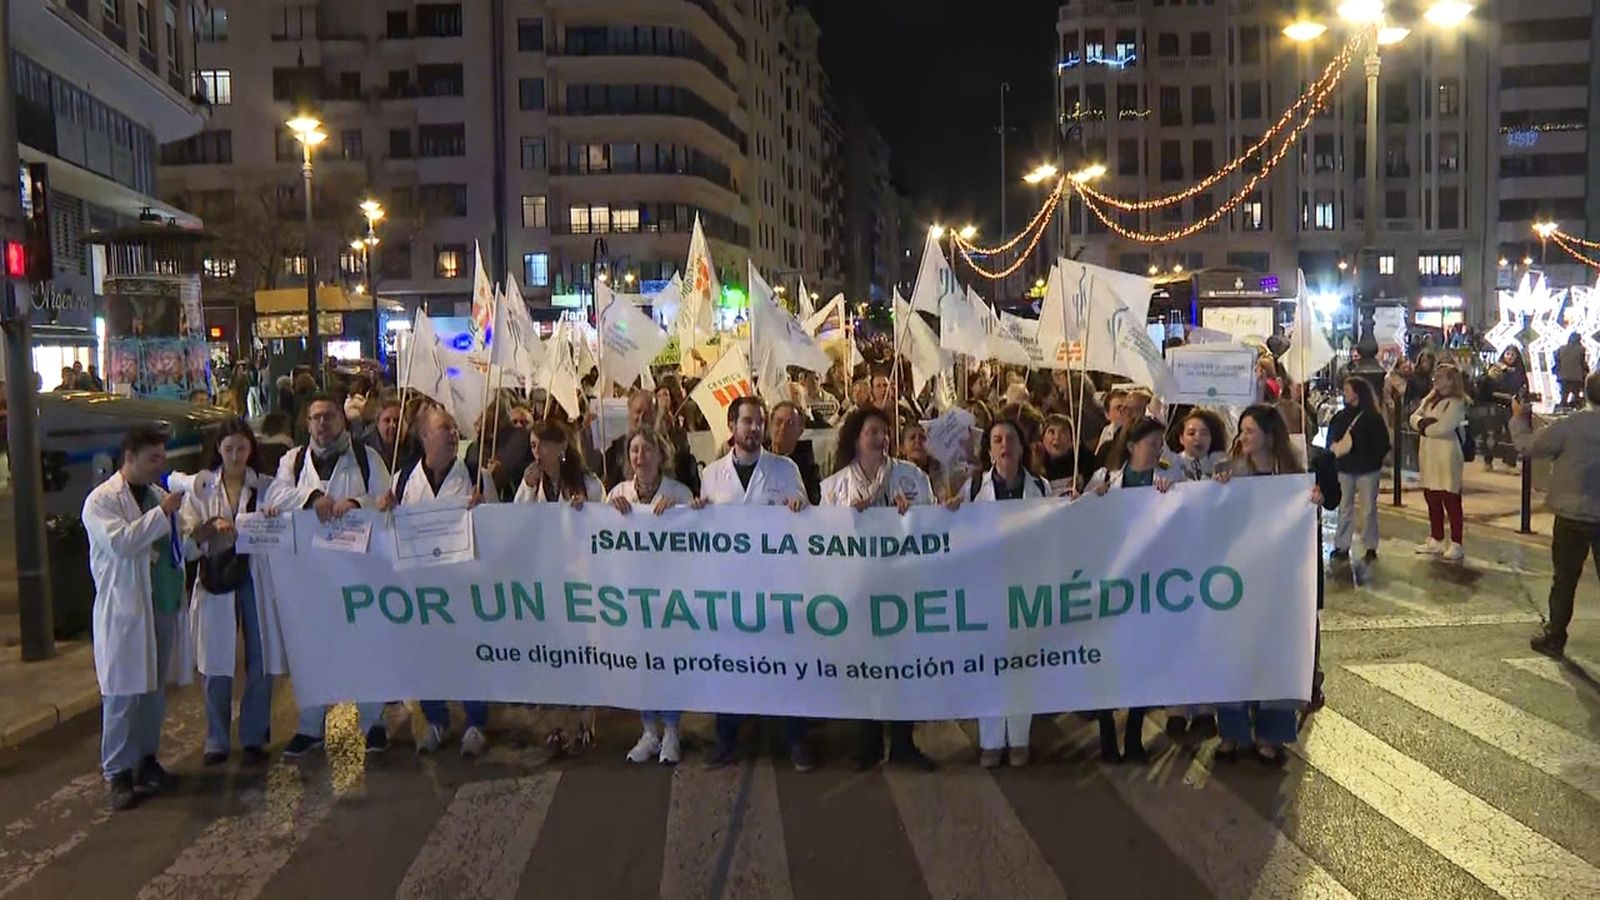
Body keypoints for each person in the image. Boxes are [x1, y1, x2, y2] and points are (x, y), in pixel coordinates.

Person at [265, 393, 392, 759]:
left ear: (343, 421)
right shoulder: (293, 461)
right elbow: (276, 495)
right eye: (316, 417)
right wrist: (312, 497)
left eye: (330, 417)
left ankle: (373, 723)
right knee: (312, 651)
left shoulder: (367, 460)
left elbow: (386, 501)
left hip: (359, 573)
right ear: (307, 424)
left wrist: (358, 504)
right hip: (311, 576)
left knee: (366, 648)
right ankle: (310, 726)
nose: (322, 424)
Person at [820, 408, 939, 771]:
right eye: (873, 432)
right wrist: (847, 518)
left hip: (900, 585)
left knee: (901, 665)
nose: (882, 439)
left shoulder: (911, 477)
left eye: (885, 433)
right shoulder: (835, 487)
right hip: (858, 589)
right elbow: (823, 538)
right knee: (864, 666)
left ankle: (903, 742)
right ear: (857, 438)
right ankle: (868, 742)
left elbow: (932, 527)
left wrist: (912, 515)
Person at [698, 396, 813, 770]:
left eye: (759, 422)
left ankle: (795, 741)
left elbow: (807, 519)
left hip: (775, 584)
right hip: (730, 585)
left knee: (784, 664)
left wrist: (799, 509)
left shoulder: (784, 468)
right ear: (731, 426)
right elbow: (704, 529)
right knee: (728, 663)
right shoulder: (712, 474)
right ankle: (727, 739)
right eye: (747, 421)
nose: (755, 429)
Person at [83, 424, 188, 810]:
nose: (160, 465)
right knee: (122, 694)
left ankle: (146, 761)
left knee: (152, 693)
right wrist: (162, 515)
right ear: (129, 458)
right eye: (153, 458)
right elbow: (122, 543)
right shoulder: (101, 502)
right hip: (124, 611)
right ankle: (117, 772)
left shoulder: (158, 495)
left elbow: (180, 542)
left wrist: (204, 533)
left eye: (163, 457)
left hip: (160, 605)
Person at [374, 406, 487, 755]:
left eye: (454, 429)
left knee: (470, 652)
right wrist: (384, 508)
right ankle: (436, 718)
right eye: (444, 429)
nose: (453, 434)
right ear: (425, 437)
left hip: (464, 583)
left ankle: (475, 722)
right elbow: (386, 533)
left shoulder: (474, 475)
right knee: (427, 653)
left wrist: (482, 510)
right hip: (420, 588)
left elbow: (499, 529)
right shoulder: (402, 480)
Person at [1213, 405, 1320, 765]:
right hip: (1237, 578)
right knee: (1233, 654)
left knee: (1274, 654)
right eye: (1241, 430)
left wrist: (1313, 502)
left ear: (1269, 435)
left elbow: (1302, 526)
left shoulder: (1292, 476)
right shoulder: (1230, 472)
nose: (1243, 437)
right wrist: (1216, 491)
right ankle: (1232, 730)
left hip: (1277, 582)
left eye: (1250, 431)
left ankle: (1271, 733)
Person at [180, 419, 286, 768]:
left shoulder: (267, 488)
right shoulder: (201, 490)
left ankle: (254, 736)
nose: (236, 455)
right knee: (216, 662)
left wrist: (273, 517)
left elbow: (286, 526)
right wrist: (208, 530)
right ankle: (217, 739)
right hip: (217, 578)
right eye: (229, 449)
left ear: (251, 449)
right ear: (218, 450)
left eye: (242, 448)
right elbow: (186, 544)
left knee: (261, 658)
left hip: (257, 576)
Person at [949, 419, 1048, 768]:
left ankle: (1018, 739)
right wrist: (948, 512)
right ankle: (991, 740)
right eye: (997, 440)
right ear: (989, 449)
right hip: (987, 589)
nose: (1004, 445)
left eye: (1011, 439)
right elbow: (956, 529)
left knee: (1022, 665)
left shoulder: (1042, 487)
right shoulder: (974, 486)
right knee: (989, 664)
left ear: (1022, 447)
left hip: (1026, 590)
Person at [1083, 416, 1183, 762]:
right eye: (1152, 444)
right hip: (1111, 585)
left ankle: (1136, 735)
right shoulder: (1105, 480)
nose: (1159, 451)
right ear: (1131, 447)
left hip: (1150, 586)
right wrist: (1087, 501)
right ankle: (1108, 733)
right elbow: (1078, 523)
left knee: (1143, 661)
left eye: (1161, 444)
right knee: (1108, 662)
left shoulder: (1170, 479)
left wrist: (1174, 499)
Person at [609, 426, 701, 765]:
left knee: (670, 661)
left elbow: (697, 526)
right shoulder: (617, 492)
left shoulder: (677, 491)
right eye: (634, 450)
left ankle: (672, 730)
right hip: (632, 594)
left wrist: (680, 508)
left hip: (670, 593)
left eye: (647, 450)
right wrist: (608, 511)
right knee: (642, 662)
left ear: (660, 455)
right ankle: (649, 730)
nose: (640, 456)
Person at [1514, 372, 1600, 658]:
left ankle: (1555, 636)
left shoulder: (1569, 426)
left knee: (1564, 579)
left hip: (1571, 514)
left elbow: (1528, 447)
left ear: (1585, 393)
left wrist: (1518, 419)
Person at [1327, 377, 1391, 561]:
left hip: (1366, 468)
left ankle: (1369, 545)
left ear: (1357, 393)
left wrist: (1373, 458)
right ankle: (1342, 545)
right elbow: (1332, 437)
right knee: (1345, 507)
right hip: (1348, 468)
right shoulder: (1341, 416)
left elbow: (1382, 443)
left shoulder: (1372, 417)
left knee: (1367, 508)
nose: (1344, 393)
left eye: (1347, 389)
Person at [1410, 363, 1468, 561]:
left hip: (1446, 454)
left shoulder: (1456, 402)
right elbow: (1413, 417)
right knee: (1431, 496)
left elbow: (1445, 426)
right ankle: (1436, 538)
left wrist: (1424, 427)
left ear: (1451, 380)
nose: (1436, 379)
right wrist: (1422, 423)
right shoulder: (1430, 398)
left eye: (1441, 376)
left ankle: (1456, 542)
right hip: (1429, 453)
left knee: (1450, 498)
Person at [514, 420, 604, 506]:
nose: (537, 451)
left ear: (563, 446)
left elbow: (601, 515)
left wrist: (585, 508)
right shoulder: (531, 481)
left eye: (544, 444)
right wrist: (529, 488)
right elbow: (519, 516)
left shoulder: (588, 483)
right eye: (533, 446)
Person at [1480, 347, 1528, 469]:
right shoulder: (1496, 368)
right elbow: (1485, 385)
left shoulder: (1519, 372)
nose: (1510, 357)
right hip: (1495, 404)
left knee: (1511, 435)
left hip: (1511, 406)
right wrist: (1490, 376)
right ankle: (1488, 460)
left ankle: (1510, 462)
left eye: (1513, 355)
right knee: (1492, 434)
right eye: (1507, 354)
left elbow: (1522, 387)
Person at [602, 390, 658, 490]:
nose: (642, 418)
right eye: (638, 412)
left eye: (647, 413)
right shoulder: (614, 452)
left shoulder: (667, 449)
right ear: (629, 414)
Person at [769, 400, 822, 505]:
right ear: (770, 425)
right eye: (778, 422)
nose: (783, 428)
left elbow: (813, 501)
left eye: (790, 424)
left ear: (800, 431)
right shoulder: (756, 458)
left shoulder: (808, 470)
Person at [1039, 414, 1097, 496]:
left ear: (1072, 439)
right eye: (1051, 432)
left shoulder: (1085, 461)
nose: (1057, 437)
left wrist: (1084, 483)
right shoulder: (1035, 467)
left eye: (1063, 432)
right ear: (1043, 438)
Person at [900, 421, 947, 501]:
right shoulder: (895, 474)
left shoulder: (943, 473)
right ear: (902, 448)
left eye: (922, 437)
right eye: (912, 437)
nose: (917, 441)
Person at [1556, 333, 1589, 409]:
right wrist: (1587, 371)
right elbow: (1582, 363)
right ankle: (1578, 412)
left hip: (1563, 377)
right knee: (1577, 396)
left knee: (1564, 397)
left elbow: (1557, 361)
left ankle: (1561, 411)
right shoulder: (1581, 349)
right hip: (1576, 378)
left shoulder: (1561, 348)